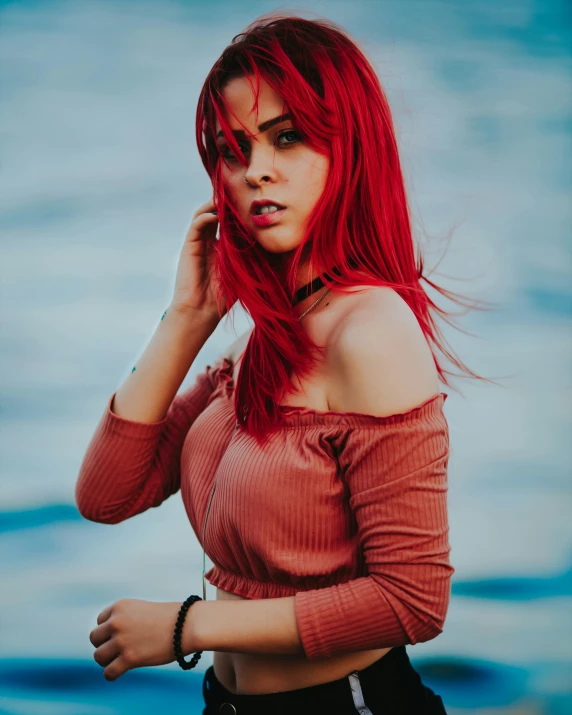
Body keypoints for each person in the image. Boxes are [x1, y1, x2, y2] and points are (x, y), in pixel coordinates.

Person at [76, 13, 492, 715]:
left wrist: (188, 624)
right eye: (232, 149)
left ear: (349, 145)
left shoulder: (370, 332)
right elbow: (107, 494)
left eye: (286, 137)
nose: (254, 170)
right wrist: (187, 320)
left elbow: (412, 600)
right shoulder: (261, 341)